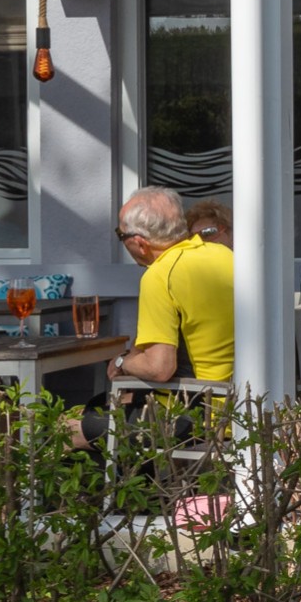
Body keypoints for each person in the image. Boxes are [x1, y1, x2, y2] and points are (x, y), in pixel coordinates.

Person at [71, 186, 234, 450]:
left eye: (120, 235)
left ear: (139, 243)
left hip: (194, 416)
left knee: (68, 430)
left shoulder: (160, 275)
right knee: (94, 410)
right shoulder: (223, 255)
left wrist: (122, 361)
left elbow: (159, 368)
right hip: (238, 409)